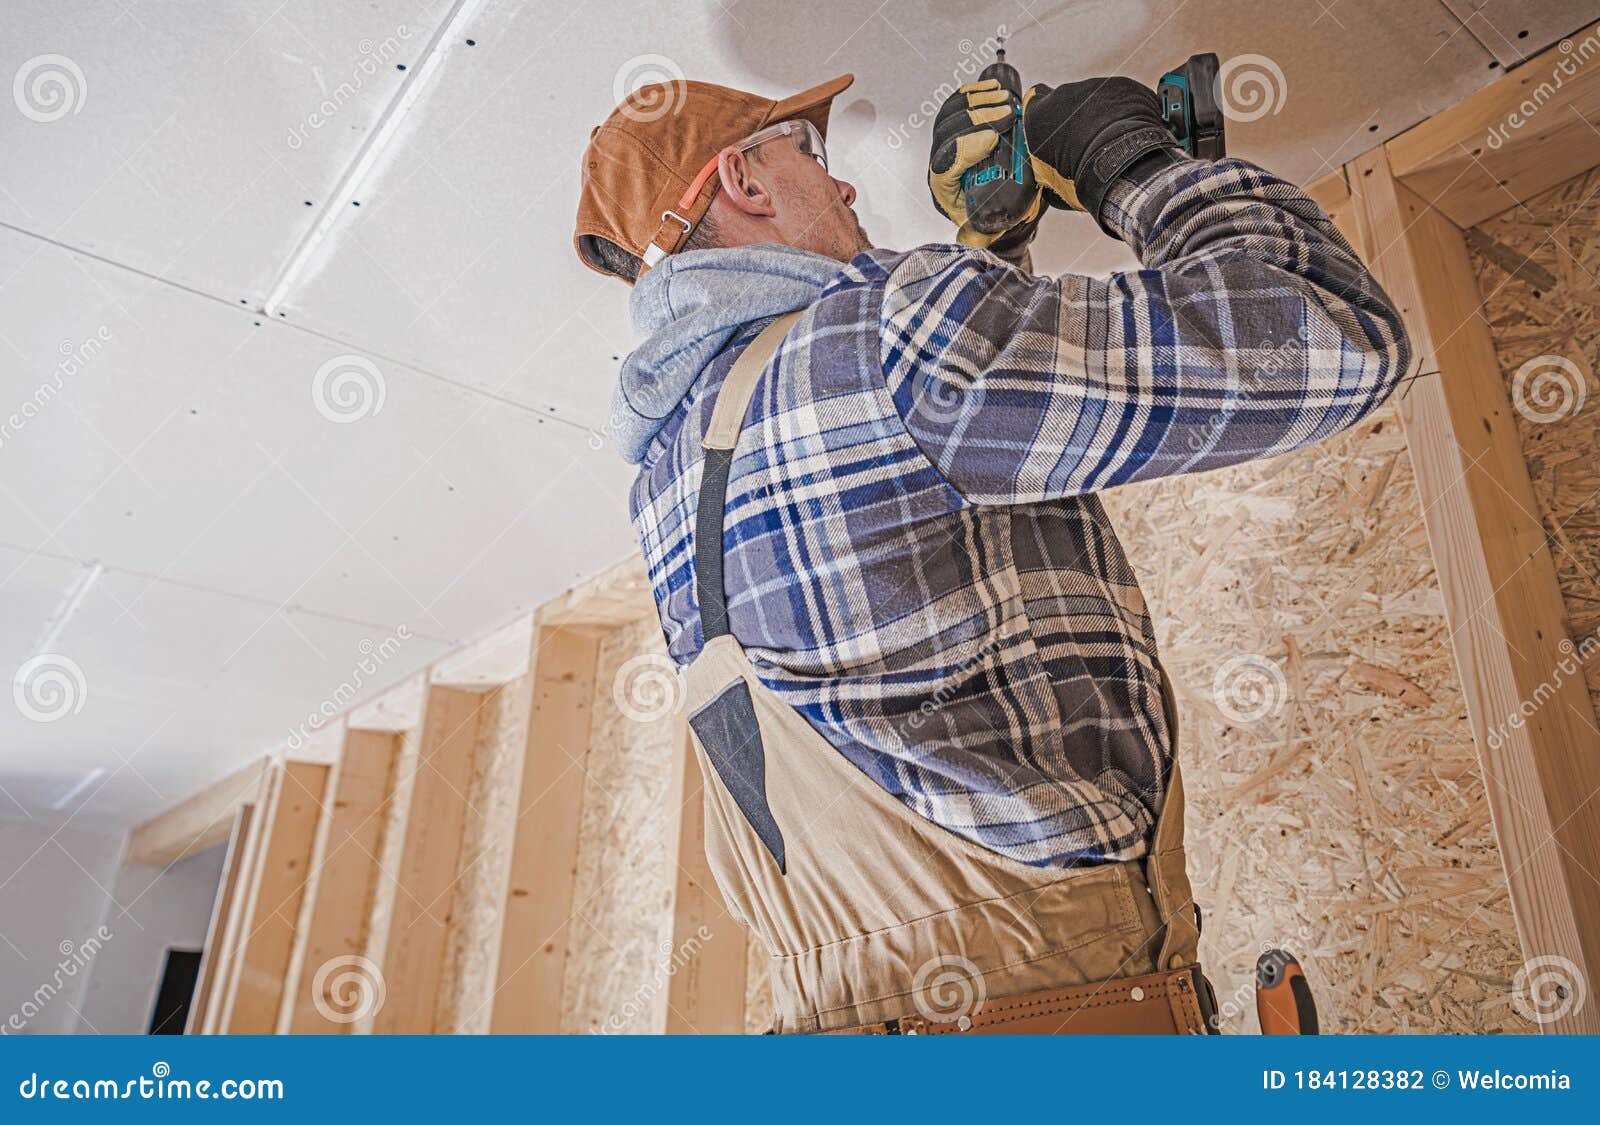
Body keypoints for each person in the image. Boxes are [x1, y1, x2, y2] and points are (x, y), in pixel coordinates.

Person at [574, 70, 1408, 1034]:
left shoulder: (668, 477)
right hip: (1048, 1001)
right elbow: (1334, 336)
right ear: (744, 184)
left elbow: (927, 533)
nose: (844, 189)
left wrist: (991, 254)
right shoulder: (892, 338)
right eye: (810, 156)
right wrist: (1129, 164)